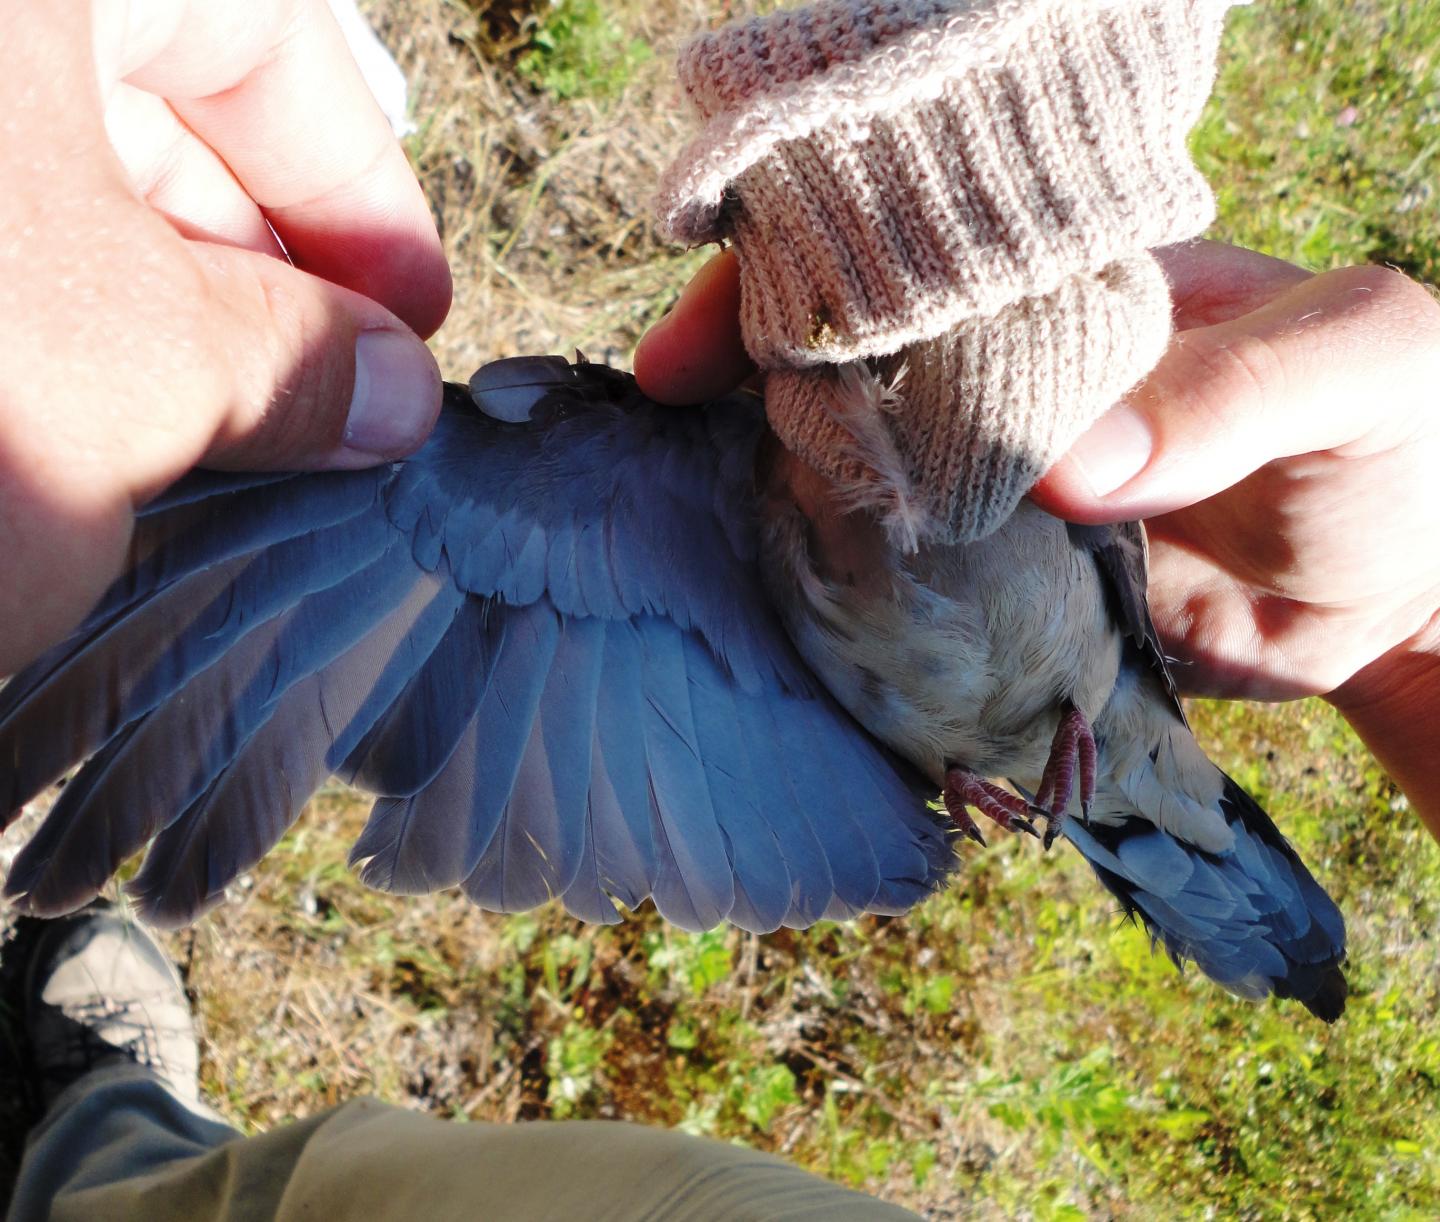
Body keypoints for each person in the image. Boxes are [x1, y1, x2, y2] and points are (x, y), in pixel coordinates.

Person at [2, 1, 1438, 1220]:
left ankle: (95, 1154)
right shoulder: (700, 473)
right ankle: (98, 1158)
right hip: (1014, 740)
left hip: (1098, 723)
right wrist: (1414, 632)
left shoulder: (1028, 384)